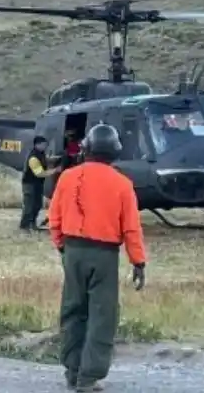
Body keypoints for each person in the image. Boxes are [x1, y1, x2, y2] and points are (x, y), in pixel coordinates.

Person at [48, 124, 148, 392]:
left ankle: (72, 370)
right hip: (104, 255)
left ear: (86, 149)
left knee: (73, 310)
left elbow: (54, 218)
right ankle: (88, 378)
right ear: (114, 151)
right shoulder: (123, 184)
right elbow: (130, 228)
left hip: (73, 251)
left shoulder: (67, 178)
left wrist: (62, 246)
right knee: (101, 314)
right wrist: (138, 261)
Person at [19, 135, 50, 231]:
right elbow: (40, 173)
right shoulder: (33, 158)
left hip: (37, 184)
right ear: (38, 145)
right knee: (29, 205)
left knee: (37, 204)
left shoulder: (41, 154)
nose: (46, 146)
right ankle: (24, 226)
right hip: (29, 184)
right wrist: (55, 170)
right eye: (44, 145)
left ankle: (32, 224)